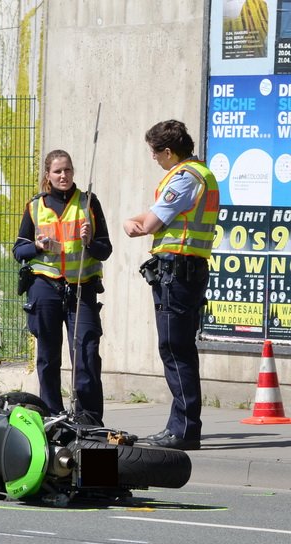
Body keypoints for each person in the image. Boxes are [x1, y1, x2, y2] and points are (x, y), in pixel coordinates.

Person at [123, 120, 218, 451]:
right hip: (185, 271)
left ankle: (183, 429)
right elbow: (157, 213)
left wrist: (134, 225)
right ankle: (182, 426)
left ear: (168, 151)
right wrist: (140, 219)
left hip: (177, 273)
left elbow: (149, 222)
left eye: (154, 152)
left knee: (175, 348)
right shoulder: (198, 173)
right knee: (179, 348)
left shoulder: (184, 178)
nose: (153, 158)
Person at [13, 149, 112, 424]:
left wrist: (91, 240)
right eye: (57, 171)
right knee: (47, 357)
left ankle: (89, 419)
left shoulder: (88, 202)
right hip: (44, 288)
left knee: (87, 355)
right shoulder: (35, 207)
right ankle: (51, 417)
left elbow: (105, 250)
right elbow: (18, 250)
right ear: (48, 175)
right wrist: (37, 246)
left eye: (67, 170)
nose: (63, 175)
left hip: (81, 288)